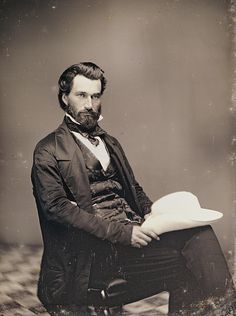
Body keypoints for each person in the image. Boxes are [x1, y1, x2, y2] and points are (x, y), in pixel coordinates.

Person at [31, 62, 235, 316]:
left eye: (95, 96)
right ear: (64, 98)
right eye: (81, 95)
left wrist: (153, 214)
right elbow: (57, 210)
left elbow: (133, 189)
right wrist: (123, 233)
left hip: (129, 243)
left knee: (199, 233)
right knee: (193, 264)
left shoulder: (110, 143)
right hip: (92, 257)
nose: (89, 103)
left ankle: (227, 309)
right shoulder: (48, 150)